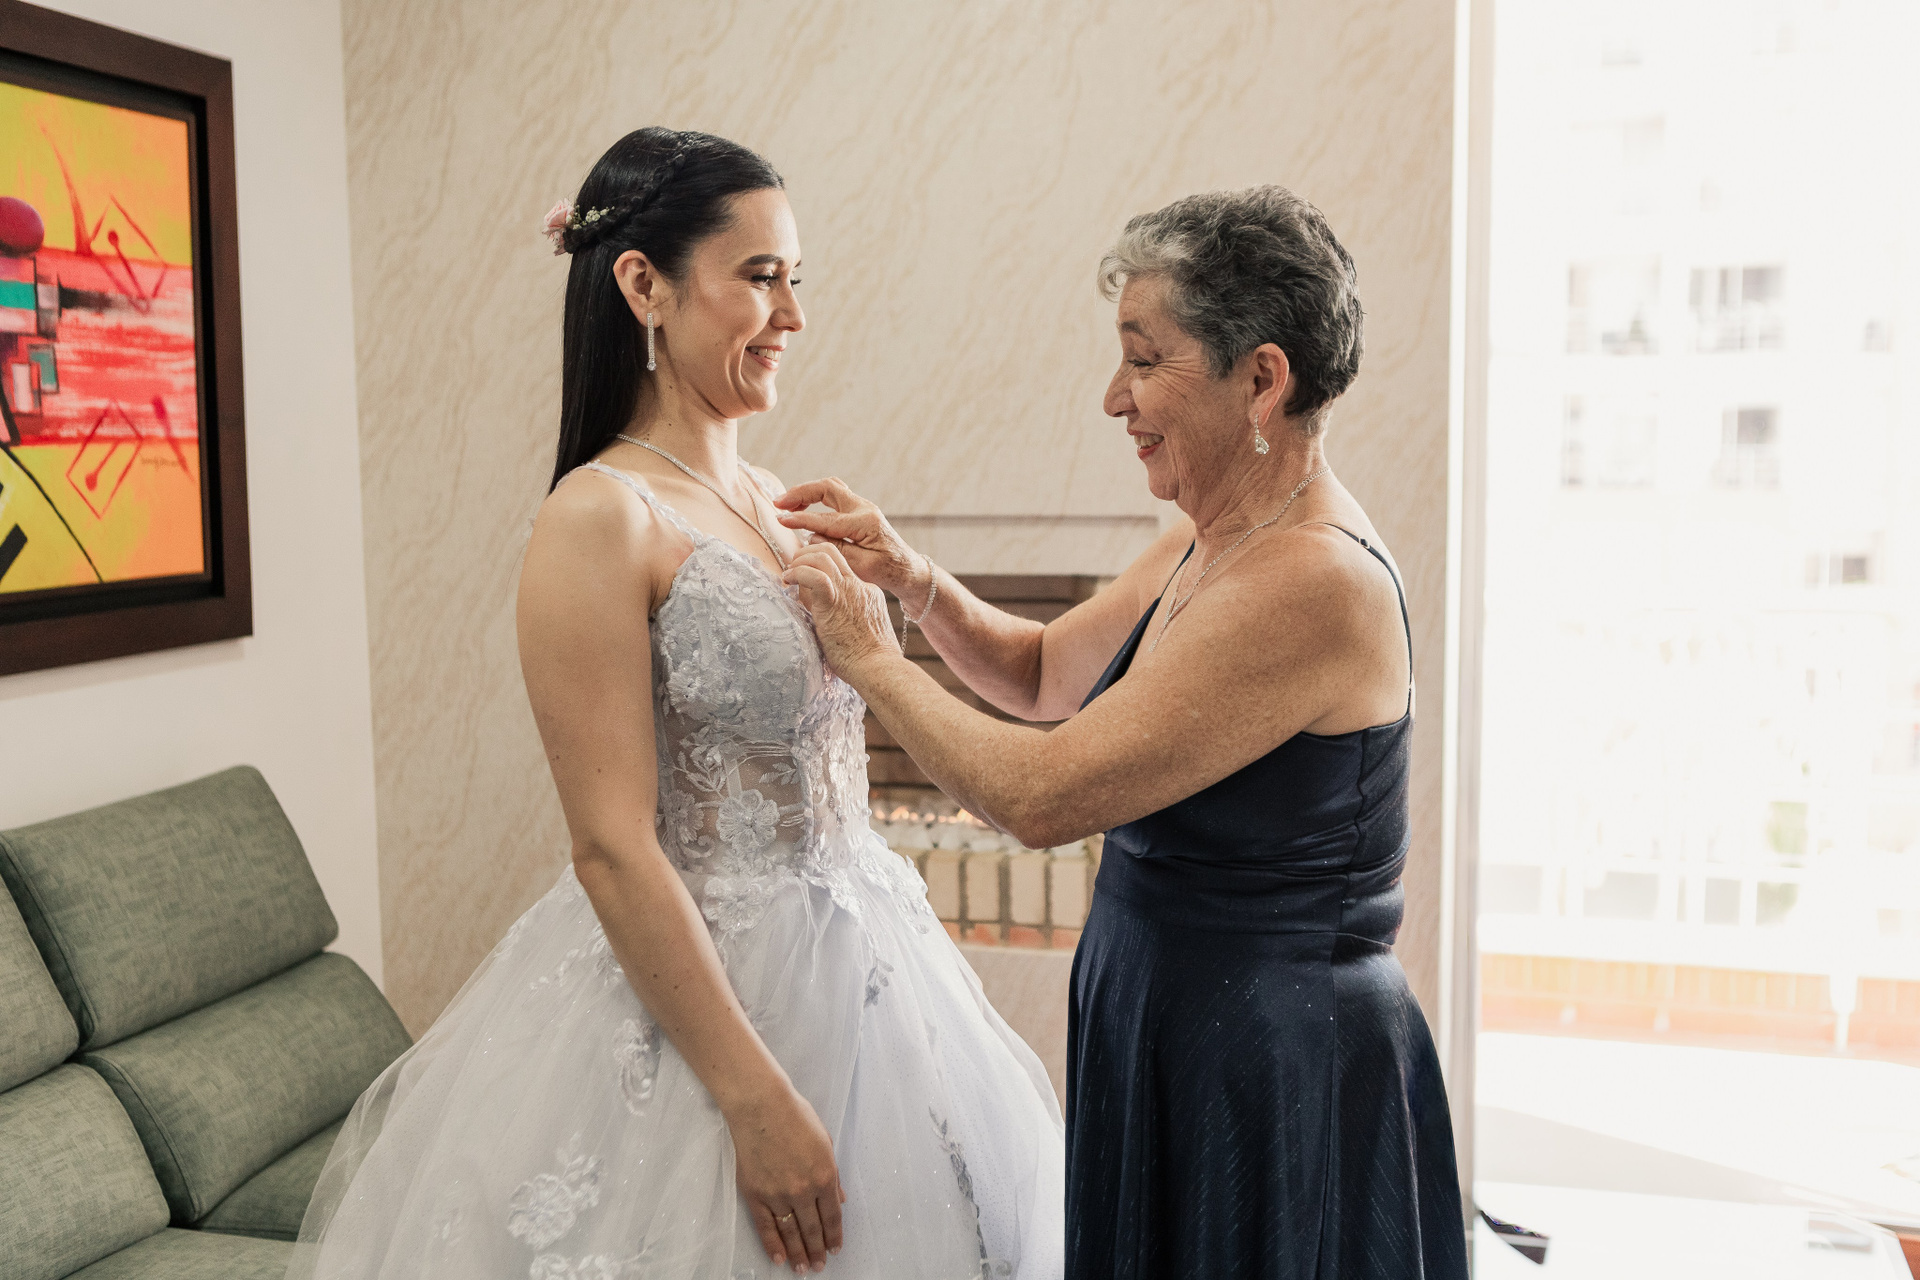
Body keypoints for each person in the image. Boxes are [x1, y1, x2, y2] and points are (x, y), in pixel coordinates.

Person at [289, 128, 1063, 1280]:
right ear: (644, 285)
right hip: (709, 1004)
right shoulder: (598, 516)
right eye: (761, 277)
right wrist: (752, 1096)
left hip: (872, 967)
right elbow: (611, 845)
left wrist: (905, 586)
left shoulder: (775, 496)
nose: (793, 314)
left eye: (797, 278)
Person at [777, 186, 1469, 1280]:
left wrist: (868, 656)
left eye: (1144, 360)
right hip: (1171, 1022)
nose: (1114, 397)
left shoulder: (1315, 580)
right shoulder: (1212, 536)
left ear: (1263, 378)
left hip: (1269, 1069)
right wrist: (912, 579)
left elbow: (1042, 794)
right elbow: (1043, 673)